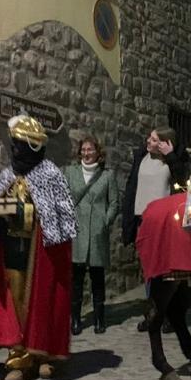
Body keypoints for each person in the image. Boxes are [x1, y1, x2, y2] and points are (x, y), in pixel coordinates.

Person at [0, 115, 76, 380]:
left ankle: (45, 356)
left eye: (19, 144)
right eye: (13, 144)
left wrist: (21, 211)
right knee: (16, 304)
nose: (15, 150)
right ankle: (19, 358)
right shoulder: (6, 175)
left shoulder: (51, 175)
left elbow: (62, 215)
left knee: (44, 301)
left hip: (43, 251)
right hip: (13, 249)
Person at [121, 127, 191, 334]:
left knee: (167, 270)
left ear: (164, 143)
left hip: (164, 223)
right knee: (149, 271)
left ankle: (171, 315)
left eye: (154, 140)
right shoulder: (142, 158)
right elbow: (132, 187)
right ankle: (153, 313)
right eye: (150, 138)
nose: (148, 141)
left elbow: (183, 181)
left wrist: (171, 156)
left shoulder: (173, 161)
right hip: (142, 220)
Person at [65, 135, 119, 335]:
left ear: (98, 152)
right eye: (83, 150)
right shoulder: (70, 172)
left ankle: (99, 319)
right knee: (76, 278)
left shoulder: (107, 176)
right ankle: (76, 319)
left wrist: (106, 221)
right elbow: (63, 197)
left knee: (97, 278)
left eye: (90, 150)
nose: (86, 153)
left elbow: (114, 202)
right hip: (77, 231)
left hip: (97, 231)